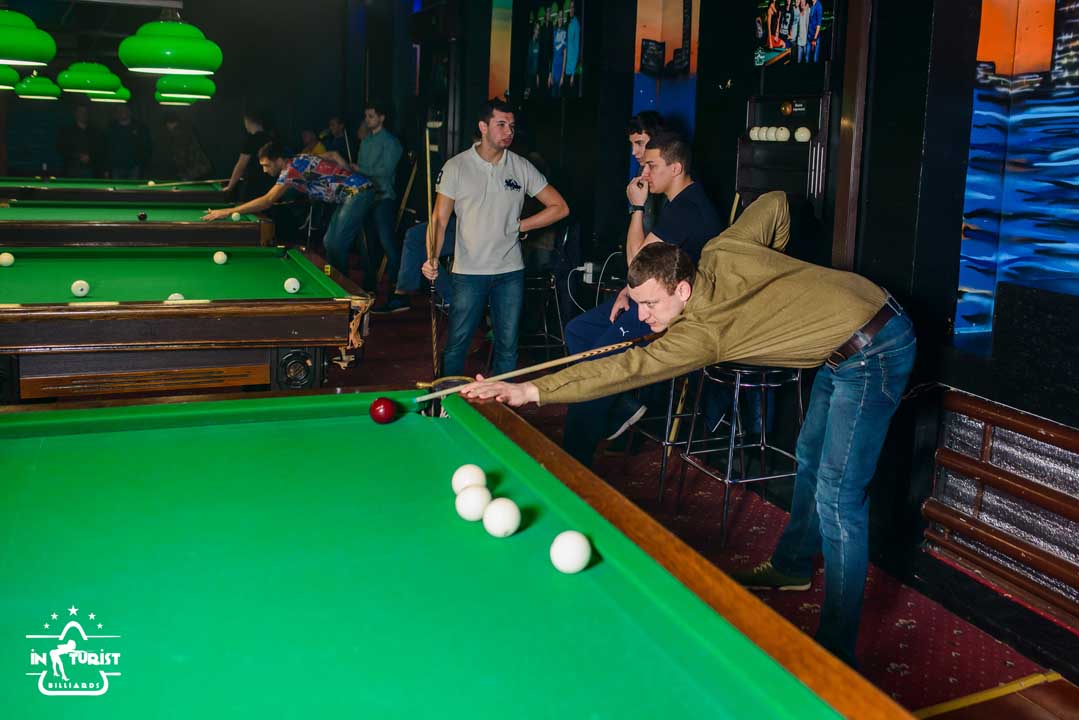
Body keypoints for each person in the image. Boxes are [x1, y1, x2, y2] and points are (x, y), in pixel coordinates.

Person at [460, 192, 917, 668]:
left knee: (839, 496)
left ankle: (836, 653)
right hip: (846, 337)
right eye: (639, 304)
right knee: (809, 456)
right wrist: (778, 275)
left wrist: (529, 391)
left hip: (876, 349)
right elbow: (776, 203)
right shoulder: (721, 248)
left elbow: (624, 369)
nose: (643, 317)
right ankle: (793, 565)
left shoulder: (702, 335)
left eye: (650, 305)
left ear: (681, 289)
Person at [560, 130, 721, 468]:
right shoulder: (680, 202)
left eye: (652, 166)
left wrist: (637, 207)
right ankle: (621, 407)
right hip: (650, 298)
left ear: (675, 168)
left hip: (669, 310)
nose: (644, 174)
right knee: (578, 330)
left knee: (595, 366)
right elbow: (647, 272)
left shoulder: (686, 208)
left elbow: (638, 265)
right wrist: (627, 291)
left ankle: (572, 461)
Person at [423, 98, 569, 377]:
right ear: (483, 127)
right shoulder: (457, 166)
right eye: (501, 124)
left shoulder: (521, 166)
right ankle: (448, 397)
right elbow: (439, 219)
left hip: (510, 272)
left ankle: (501, 401)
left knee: (507, 347)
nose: (508, 131)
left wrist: (523, 225)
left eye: (512, 126)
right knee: (457, 345)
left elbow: (560, 207)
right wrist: (431, 257)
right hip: (469, 272)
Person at [202, 142, 372, 273]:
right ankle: (338, 279)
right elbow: (333, 155)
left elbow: (267, 200)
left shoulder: (291, 170)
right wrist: (349, 173)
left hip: (357, 192)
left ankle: (343, 286)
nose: (264, 170)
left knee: (336, 244)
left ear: (278, 160)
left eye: (266, 165)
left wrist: (229, 211)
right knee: (329, 242)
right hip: (350, 194)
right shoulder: (299, 158)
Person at [335, 101, 403, 295]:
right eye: (366, 116)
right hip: (365, 197)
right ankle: (369, 285)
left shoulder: (391, 142)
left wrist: (360, 169)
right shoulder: (366, 141)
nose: (367, 120)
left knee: (387, 242)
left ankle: (398, 287)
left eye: (371, 116)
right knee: (366, 243)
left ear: (382, 118)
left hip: (383, 197)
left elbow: (386, 171)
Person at [224, 110, 273, 202]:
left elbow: (241, 165)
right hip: (270, 183)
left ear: (247, 121)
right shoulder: (271, 137)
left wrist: (230, 186)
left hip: (253, 184)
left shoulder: (251, 140)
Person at [153, 112, 212, 181]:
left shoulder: (179, 133)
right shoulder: (184, 130)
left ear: (168, 123)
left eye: (166, 125)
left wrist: (181, 176)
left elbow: (180, 156)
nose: (167, 128)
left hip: (198, 170)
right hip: (200, 170)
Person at [56, 104, 105, 178]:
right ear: (75, 114)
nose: (83, 114)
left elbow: (100, 149)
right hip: (72, 169)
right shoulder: (67, 131)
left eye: (85, 112)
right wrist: (78, 156)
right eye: (80, 112)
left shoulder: (95, 131)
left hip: (92, 169)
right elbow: (62, 148)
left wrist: (91, 156)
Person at [105, 105, 151, 180]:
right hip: (116, 166)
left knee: (134, 187)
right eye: (120, 110)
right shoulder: (111, 128)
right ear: (117, 113)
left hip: (134, 167)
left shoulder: (139, 127)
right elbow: (107, 148)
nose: (123, 112)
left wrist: (141, 163)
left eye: (125, 110)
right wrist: (107, 168)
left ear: (130, 112)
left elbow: (146, 147)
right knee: (117, 187)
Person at [549, 7, 567, 97]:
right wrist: (550, 75)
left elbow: (565, 55)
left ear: (563, 18)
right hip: (553, 71)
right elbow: (552, 54)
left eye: (561, 17)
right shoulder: (554, 32)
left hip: (560, 71)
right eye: (559, 17)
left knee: (559, 97)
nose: (560, 19)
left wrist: (562, 76)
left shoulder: (564, 33)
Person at [565, 1, 581, 90]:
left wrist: (573, 74)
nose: (570, 9)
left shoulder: (576, 24)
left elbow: (577, 48)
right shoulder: (569, 22)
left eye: (572, 7)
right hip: (565, 67)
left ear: (575, 9)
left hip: (571, 70)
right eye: (570, 7)